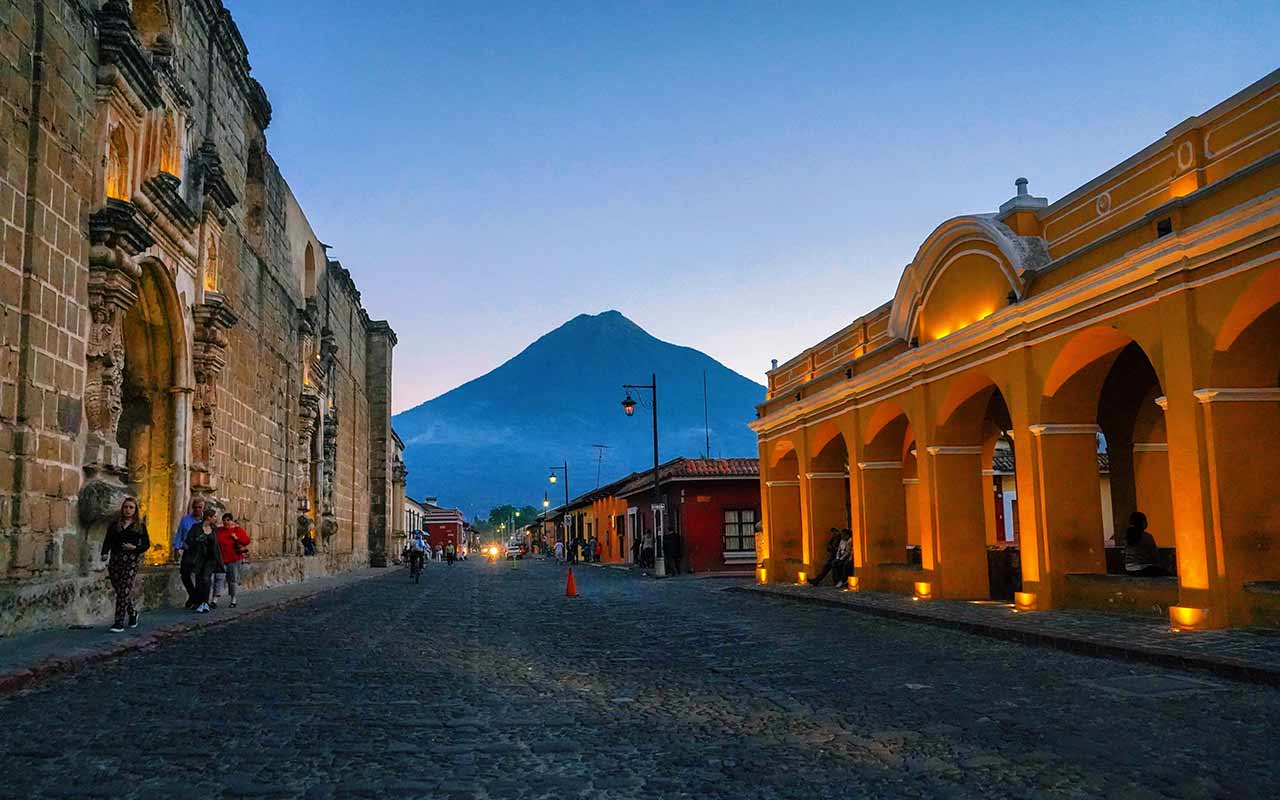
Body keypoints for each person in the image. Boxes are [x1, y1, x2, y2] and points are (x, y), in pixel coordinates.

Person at [101, 496, 150, 632]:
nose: (128, 510)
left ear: (135, 510)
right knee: (120, 590)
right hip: (116, 560)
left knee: (124, 590)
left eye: (131, 507)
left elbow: (146, 544)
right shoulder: (114, 525)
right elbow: (108, 541)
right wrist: (104, 553)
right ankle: (132, 612)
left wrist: (134, 548)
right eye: (126, 507)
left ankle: (119, 622)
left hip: (131, 561)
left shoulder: (139, 526)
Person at [187, 508, 224, 613]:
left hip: (211, 558)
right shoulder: (196, 528)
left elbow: (216, 544)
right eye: (214, 517)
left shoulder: (214, 529)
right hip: (199, 557)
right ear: (209, 517)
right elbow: (189, 540)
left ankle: (205, 602)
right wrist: (198, 540)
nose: (216, 519)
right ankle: (199, 602)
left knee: (206, 578)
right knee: (199, 579)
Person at [172, 496, 206, 609]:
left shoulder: (206, 521)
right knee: (185, 574)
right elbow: (179, 534)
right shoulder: (186, 519)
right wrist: (176, 549)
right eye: (195, 507)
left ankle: (194, 600)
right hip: (188, 550)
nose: (197, 510)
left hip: (201, 552)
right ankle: (193, 596)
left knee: (199, 577)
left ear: (203, 508)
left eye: (200, 507)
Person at [216, 513, 251, 607]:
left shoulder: (237, 530)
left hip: (234, 559)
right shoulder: (219, 530)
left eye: (228, 520)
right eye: (224, 520)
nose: (226, 522)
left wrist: (236, 538)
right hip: (221, 559)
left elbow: (247, 540)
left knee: (232, 580)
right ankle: (214, 599)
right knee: (218, 578)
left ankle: (233, 599)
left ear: (232, 521)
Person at [1123, 512, 1168, 577]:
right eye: (1145, 520)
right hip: (1143, 569)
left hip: (1128, 569)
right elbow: (1155, 556)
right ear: (1142, 523)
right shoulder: (1147, 536)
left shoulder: (1126, 537)